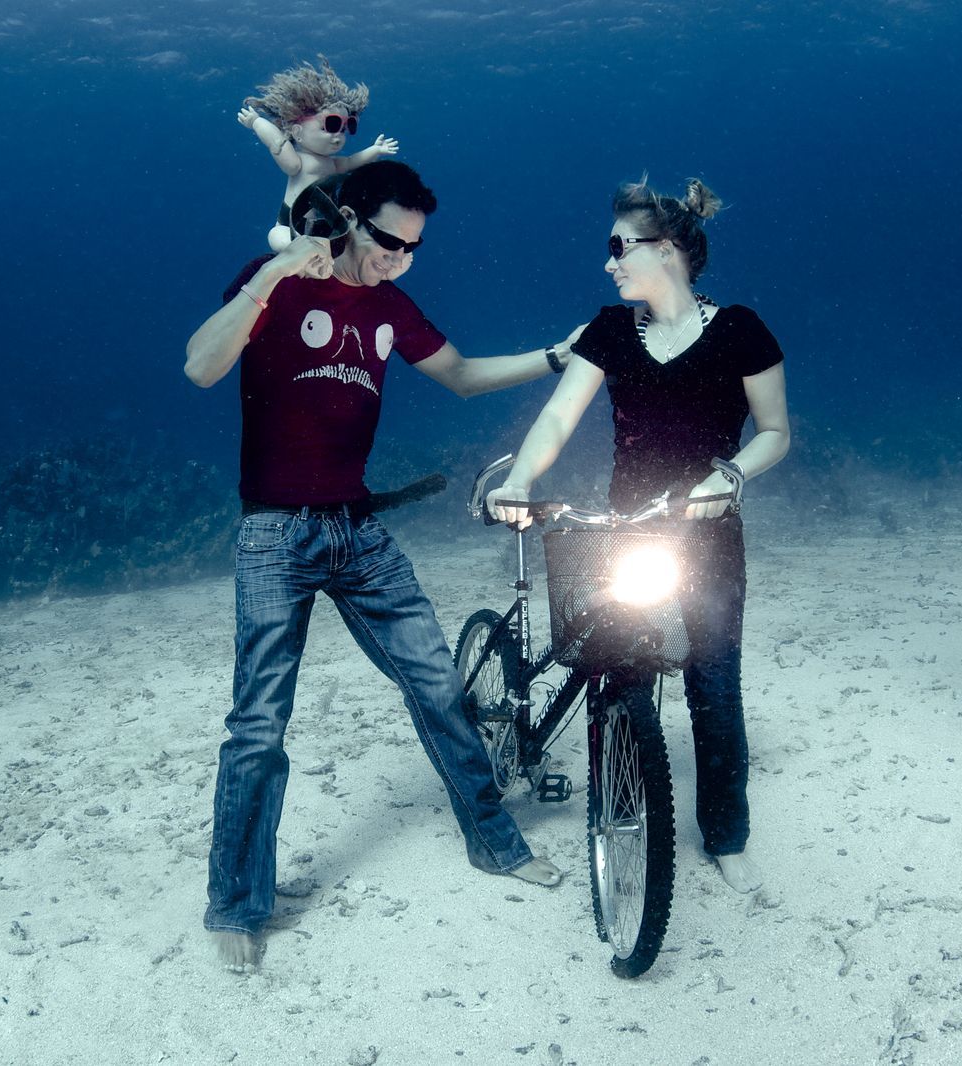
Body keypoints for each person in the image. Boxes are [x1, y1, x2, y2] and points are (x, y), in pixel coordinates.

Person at [184, 160, 566, 974]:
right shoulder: (276, 280)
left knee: (436, 685)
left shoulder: (390, 305)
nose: (400, 258)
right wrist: (281, 268)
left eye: (414, 247)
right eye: (390, 241)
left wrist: (555, 356)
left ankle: (498, 846)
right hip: (274, 537)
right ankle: (237, 904)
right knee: (258, 725)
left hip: (360, 533)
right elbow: (200, 365)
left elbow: (461, 376)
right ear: (345, 218)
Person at [487, 176, 791, 894]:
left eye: (619, 247)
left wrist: (731, 477)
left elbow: (775, 432)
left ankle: (727, 833)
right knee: (618, 670)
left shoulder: (744, 329)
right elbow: (559, 418)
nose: (609, 262)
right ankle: (619, 811)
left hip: (710, 534)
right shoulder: (609, 331)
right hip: (624, 530)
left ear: (669, 251)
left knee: (714, 679)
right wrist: (520, 481)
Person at [237, 56, 401, 252]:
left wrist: (375, 150)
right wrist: (256, 122)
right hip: (289, 225)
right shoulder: (297, 163)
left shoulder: (332, 164)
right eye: (331, 125)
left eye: (345, 127)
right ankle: (300, 252)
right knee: (277, 237)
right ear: (297, 132)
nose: (338, 136)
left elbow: (351, 162)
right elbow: (276, 141)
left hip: (325, 227)